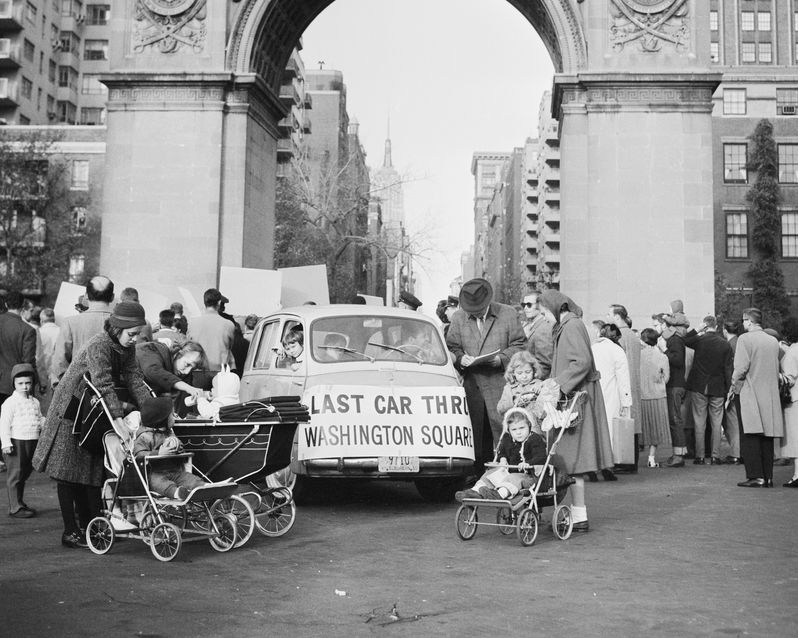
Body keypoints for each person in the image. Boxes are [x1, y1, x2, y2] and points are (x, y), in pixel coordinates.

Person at [32, 301, 153, 548]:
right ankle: (70, 532)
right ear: (117, 328)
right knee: (67, 470)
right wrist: (119, 419)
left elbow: (134, 378)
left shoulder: (124, 346)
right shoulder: (99, 344)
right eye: (132, 334)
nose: (135, 339)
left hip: (92, 409)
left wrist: (152, 411)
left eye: (138, 334)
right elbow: (104, 383)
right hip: (71, 408)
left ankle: (91, 526)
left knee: (89, 468)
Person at [540, 290, 614, 532]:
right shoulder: (571, 324)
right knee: (572, 459)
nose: (544, 317)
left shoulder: (571, 326)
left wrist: (558, 384)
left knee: (572, 458)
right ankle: (577, 513)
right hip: (575, 396)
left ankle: (579, 515)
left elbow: (580, 362)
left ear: (555, 308)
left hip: (575, 399)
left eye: (544, 312)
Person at [446, 278, 526, 470]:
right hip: (472, 387)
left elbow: (521, 344)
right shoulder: (458, 317)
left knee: (504, 434)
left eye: (479, 309)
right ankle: (478, 478)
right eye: (471, 311)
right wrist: (460, 358)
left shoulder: (507, 314)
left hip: (500, 385)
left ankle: (508, 474)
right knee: (475, 437)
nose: (476, 313)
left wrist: (501, 359)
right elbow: (451, 347)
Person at [730, 308, 784, 488]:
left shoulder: (744, 339)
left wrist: (733, 384)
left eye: (744, 320)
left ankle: (755, 475)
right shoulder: (772, 341)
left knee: (750, 434)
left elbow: (740, 367)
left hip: (749, 391)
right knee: (767, 436)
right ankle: (768, 476)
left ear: (748, 321)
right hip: (769, 393)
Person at [455, 407, 547, 501]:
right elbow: (502, 452)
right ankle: (475, 492)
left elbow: (541, 457)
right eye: (514, 430)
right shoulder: (507, 440)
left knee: (513, 478)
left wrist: (528, 463)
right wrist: (502, 458)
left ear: (529, 426)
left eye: (522, 428)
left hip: (528, 477)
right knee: (490, 473)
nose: (518, 432)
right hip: (508, 473)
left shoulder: (535, 439)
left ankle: (499, 494)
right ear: (509, 430)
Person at [683, 316, 734, 466]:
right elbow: (727, 369)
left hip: (699, 386)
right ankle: (715, 456)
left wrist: (697, 329)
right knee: (717, 423)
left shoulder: (700, 340)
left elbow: (684, 340)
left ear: (705, 326)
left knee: (699, 422)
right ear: (717, 327)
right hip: (718, 387)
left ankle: (699, 456)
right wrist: (728, 388)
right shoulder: (725, 344)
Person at [133, 396, 205, 500]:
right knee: (159, 483)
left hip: (174, 471)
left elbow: (180, 448)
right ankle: (177, 493)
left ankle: (203, 486)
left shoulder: (169, 433)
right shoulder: (145, 436)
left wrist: (178, 447)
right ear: (161, 420)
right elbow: (139, 455)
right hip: (154, 473)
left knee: (188, 478)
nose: (175, 417)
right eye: (172, 415)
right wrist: (158, 453)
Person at [50, 276, 115, 385]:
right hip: (113, 390)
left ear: (86, 296)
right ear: (112, 297)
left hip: (79, 392)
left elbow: (60, 363)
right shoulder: (121, 323)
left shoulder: (70, 323)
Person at [1, 364, 44, 518]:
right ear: (14, 384)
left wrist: (47, 423)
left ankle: (19, 501)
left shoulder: (35, 402)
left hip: (32, 441)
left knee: (25, 473)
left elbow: (39, 418)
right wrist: (6, 443)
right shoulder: (10, 403)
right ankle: (15, 507)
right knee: (15, 474)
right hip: (16, 442)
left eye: (28, 383)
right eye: (20, 383)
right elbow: (4, 424)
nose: (25, 387)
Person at [590, 320, 631, 480]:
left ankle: (592, 466)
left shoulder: (592, 349)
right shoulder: (617, 351)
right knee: (611, 430)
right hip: (612, 395)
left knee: (594, 430)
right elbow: (623, 379)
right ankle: (608, 465)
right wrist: (626, 402)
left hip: (594, 394)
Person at [607, 304, 642, 473]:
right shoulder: (634, 336)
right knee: (632, 424)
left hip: (624, 384)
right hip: (635, 383)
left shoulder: (619, 337)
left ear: (617, 317)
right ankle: (632, 462)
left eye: (609, 315)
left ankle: (624, 461)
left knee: (622, 422)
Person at [639, 328, 671, 468]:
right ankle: (651, 458)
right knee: (656, 429)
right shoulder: (662, 357)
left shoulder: (637, 355)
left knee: (641, 428)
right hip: (658, 395)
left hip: (641, 395)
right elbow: (666, 377)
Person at [136, 340, 207, 402]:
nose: (187, 372)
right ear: (177, 354)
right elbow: (153, 371)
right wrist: (188, 388)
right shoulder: (152, 349)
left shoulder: (174, 368)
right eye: (187, 364)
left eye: (192, 369)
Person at [0, 291, 37, 405]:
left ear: (6, 304)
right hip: (13, 384)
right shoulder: (27, 330)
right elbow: (28, 361)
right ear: (22, 306)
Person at [188, 288, 235, 372]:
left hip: (197, 371)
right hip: (220, 372)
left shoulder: (192, 323)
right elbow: (229, 346)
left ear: (205, 302)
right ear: (219, 303)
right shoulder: (229, 324)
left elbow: (188, 345)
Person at [779, 317, 798, 487]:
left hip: (794, 399)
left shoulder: (792, 352)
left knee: (794, 437)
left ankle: (797, 474)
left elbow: (789, 379)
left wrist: (776, 375)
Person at [496, 351, 543, 417]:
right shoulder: (509, 388)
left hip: (536, 420)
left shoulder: (538, 384)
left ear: (534, 370)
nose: (524, 376)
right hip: (518, 422)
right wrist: (516, 401)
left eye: (528, 372)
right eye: (519, 373)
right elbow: (500, 409)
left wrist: (541, 388)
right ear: (513, 373)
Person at [721, 320, 743, 464]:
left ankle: (736, 453)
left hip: (732, 387)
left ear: (724, 330)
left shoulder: (729, 345)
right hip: (740, 386)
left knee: (732, 421)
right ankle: (738, 451)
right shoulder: (739, 342)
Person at [521, 291, 554, 380]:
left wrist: (530, 382)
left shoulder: (543, 328)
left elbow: (545, 364)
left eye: (529, 304)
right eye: (523, 305)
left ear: (540, 305)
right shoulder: (536, 326)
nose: (525, 308)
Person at [36, 308, 60, 413]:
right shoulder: (62, 330)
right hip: (58, 374)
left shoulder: (38, 332)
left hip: (42, 373)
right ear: (54, 319)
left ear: (41, 320)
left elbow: (38, 357)